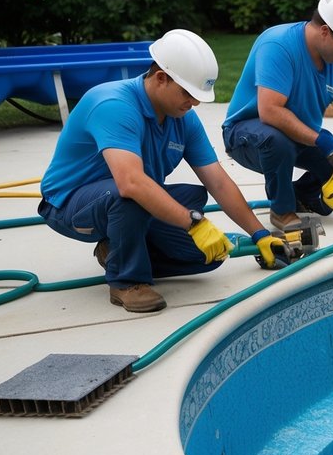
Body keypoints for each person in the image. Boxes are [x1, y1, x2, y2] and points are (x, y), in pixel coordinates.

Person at [38, 29, 290, 313]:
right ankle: (127, 281)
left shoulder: (183, 118)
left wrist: (260, 235)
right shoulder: (114, 105)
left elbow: (218, 182)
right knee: (130, 196)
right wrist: (194, 223)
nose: (194, 102)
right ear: (161, 78)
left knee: (207, 253)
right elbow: (131, 183)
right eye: (188, 93)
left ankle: (116, 253)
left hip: (123, 199)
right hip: (69, 205)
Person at [223, 0, 333, 231]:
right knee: (278, 141)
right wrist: (323, 141)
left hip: (299, 136)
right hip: (246, 133)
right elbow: (270, 111)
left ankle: (299, 196)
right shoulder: (279, 45)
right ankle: (282, 211)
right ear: (325, 31)